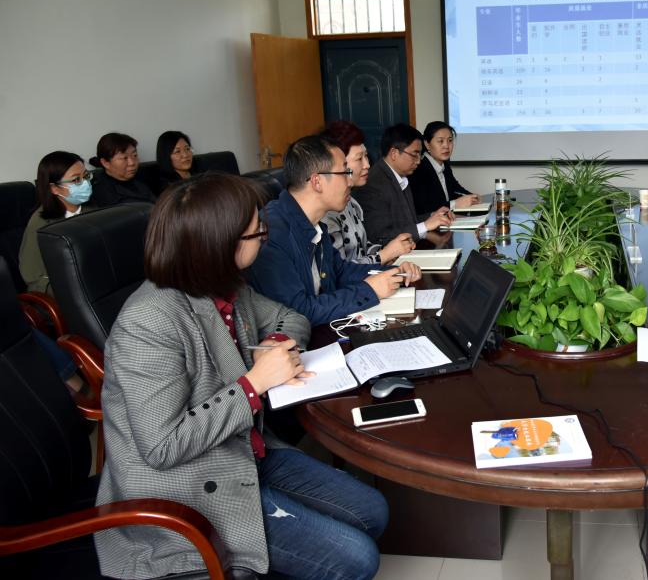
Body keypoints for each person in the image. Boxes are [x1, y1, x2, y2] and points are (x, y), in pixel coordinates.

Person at [93, 172, 388, 579]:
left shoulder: (228, 287)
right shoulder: (149, 322)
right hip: (188, 490)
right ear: (220, 244)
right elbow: (162, 446)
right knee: (358, 558)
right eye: (256, 232)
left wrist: (276, 346)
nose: (264, 237)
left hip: (242, 451)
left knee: (374, 510)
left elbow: (290, 317)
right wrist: (254, 384)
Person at [247, 134, 420, 327]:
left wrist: (393, 272)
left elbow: (341, 271)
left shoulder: (315, 223)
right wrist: (369, 290)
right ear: (317, 182)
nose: (350, 181)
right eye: (344, 172)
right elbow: (298, 311)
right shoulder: (272, 233)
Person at [17, 150, 91, 391]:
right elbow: (32, 275)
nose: (85, 183)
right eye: (76, 180)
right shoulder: (40, 223)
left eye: (86, 176)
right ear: (55, 188)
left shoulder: (95, 210)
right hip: (61, 296)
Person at [320, 121, 417, 264]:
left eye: (366, 156)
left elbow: (363, 248)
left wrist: (392, 251)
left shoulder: (351, 203)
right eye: (359, 158)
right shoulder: (326, 211)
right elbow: (339, 270)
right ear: (339, 162)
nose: (367, 165)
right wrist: (384, 255)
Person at [351, 123, 455, 246]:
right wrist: (426, 226)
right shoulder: (373, 184)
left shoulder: (400, 175)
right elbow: (380, 236)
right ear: (394, 153)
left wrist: (433, 216)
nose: (418, 161)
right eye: (414, 154)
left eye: (420, 155)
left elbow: (407, 221)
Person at [409, 120, 481, 214]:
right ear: (427, 144)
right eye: (440, 141)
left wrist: (472, 196)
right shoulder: (419, 168)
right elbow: (424, 207)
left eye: (450, 140)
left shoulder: (445, 165)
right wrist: (455, 204)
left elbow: (456, 189)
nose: (446, 146)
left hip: (448, 218)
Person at [89, 132, 155, 206]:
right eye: (124, 158)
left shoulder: (143, 176)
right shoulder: (103, 192)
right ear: (105, 163)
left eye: (134, 155)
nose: (132, 163)